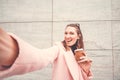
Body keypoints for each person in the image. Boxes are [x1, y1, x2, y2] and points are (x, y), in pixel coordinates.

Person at [0, 23, 93, 80]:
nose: (67, 36)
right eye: (66, 33)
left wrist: (86, 69)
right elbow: (42, 57)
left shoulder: (80, 54)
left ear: (79, 36)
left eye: (71, 33)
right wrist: (13, 50)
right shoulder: (59, 48)